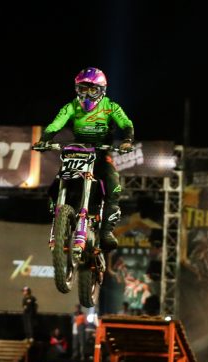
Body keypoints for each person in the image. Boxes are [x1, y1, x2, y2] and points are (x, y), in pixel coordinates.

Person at [33, 67, 134, 252]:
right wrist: (44, 140)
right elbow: (56, 123)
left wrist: (127, 140)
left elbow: (126, 123)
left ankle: (106, 232)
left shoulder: (111, 107)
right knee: (55, 185)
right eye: (82, 89)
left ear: (102, 90)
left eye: (92, 90)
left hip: (101, 153)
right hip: (78, 150)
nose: (87, 95)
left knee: (113, 185)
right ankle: (60, 217)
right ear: (76, 89)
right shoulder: (71, 106)